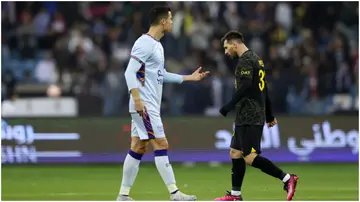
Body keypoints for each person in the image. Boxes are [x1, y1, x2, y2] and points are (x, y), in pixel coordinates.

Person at [117, 6, 209, 201]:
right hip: (144, 105)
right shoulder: (144, 43)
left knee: (138, 147)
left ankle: (123, 195)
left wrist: (188, 78)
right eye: (171, 19)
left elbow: (161, 75)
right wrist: (137, 99)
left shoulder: (157, 45)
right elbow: (129, 72)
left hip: (146, 105)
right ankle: (175, 193)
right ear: (163, 22)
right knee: (161, 143)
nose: (173, 22)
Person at [215, 30, 298, 201]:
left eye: (226, 47)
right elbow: (263, 89)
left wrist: (227, 106)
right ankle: (236, 195)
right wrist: (269, 115)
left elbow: (245, 86)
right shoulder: (257, 59)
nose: (226, 52)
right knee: (234, 152)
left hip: (250, 115)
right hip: (246, 114)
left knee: (249, 156)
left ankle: (287, 179)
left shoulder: (245, 60)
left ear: (234, 44)